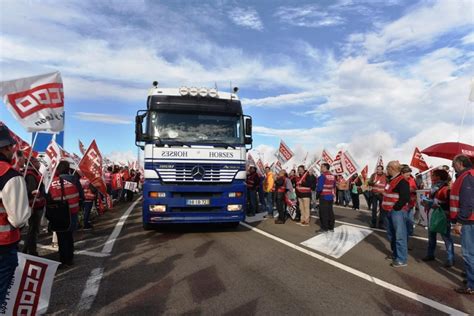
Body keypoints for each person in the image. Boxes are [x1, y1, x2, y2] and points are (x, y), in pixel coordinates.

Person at [0, 126, 30, 305]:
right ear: (4, 148)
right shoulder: (9, 175)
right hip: (3, 246)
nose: (13, 150)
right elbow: (18, 219)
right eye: (11, 146)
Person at [48, 161, 80, 268]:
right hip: (72, 212)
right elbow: (81, 195)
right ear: (68, 169)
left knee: (61, 236)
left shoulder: (52, 182)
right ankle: (70, 259)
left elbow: (48, 198)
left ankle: (63, 260)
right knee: (69, 236)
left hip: (58, 213)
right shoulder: (74, 180)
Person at [450, 155, 474, 295]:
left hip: (469, 221)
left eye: (453, 164)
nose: (452, 167)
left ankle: (472, 285)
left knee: (468, 253)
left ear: (459, 163)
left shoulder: (467, 177)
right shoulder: (468, 176)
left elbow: (467, 202)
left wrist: (459, 222)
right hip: (470, 219)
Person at [422, 169, 454, 268]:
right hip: (433, 214)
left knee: (446, 237)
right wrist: (426, 202)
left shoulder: (446, 189)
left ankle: (450, 258)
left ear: (438, 177)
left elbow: (449, 203)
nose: (431, 177)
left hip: (443, 216)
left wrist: (436, 204)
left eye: (433, 175)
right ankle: (430, 254)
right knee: (431, 236)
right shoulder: (433, 188)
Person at [382, 161, 411, 268]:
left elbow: (405, 197)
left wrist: (395, 208)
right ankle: (395, 254)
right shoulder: (392, 179)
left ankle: (402, 259)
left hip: (397, 212)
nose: (386, 169)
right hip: (389, 211)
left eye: (387, 167)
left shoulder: (401, 180)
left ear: (392, 168)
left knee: (400, 236)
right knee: (392, 235)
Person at [23, 157, 46, 256]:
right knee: (33, 230)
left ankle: (26, 249)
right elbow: (31, 192)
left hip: (36, 205)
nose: (39, 163)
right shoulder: (31, 175)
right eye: (37, 162)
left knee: (33, 229)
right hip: (34, 206)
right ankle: (32, 251)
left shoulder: (35, 174)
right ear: (32, 164)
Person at [316, 163, 336, 233]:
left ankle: (324, 228)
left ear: (325, 167)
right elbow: (333, 186)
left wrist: (317, 196)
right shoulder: (332, 176)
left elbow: (319, 188)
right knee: (330, 212)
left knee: (323, 212)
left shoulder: (323, 176)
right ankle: (331, 227)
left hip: (323, 196)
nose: (320, 168)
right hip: (330, 196)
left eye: (321, 167)